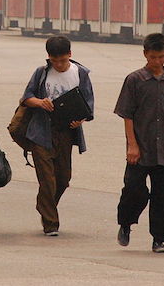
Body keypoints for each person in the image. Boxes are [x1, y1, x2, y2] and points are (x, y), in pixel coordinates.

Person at [115, 33, 164, 254]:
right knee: (133, 191)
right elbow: (127, 115)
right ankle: (126, 223)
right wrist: (132, 145)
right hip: (141, 149)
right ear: (145, 54)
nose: (157, 61)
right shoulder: (134, 80)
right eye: (153, 57)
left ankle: (159, 238)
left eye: (161, 57)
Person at [20, 35, 94, 236]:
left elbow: (88, 103)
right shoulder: (41, 73)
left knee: (63, 178)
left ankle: (44, 204)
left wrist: (81, 119)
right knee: (47, 180)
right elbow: (26, 97)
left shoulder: (81, 73)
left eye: (63, 60)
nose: (59, 65)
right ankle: (50, 223)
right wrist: (40, 102)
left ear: (70, 55)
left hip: (67, 132)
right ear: (49, 58)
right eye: (55, 61)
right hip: (41, 132)